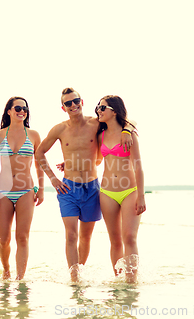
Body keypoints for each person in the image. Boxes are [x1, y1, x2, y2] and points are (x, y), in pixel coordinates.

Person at [35, 88, 133, 282]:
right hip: (68, 188)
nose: (73, 105)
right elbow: (39, 153)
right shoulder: (59, 129)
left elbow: (127, 121)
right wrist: (53, 179)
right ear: (63, 108)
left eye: (75, 101)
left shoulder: (96, 123)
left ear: (82, 101)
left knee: (85, 238)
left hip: (92, 188)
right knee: (71, 235)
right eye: (68, 103)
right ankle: (74, 279)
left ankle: (80, 271)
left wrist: (127, 130)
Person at [0, 96, 45, 280]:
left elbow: (39, 164)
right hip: (3, 191)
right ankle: (6, 270)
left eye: (25, 108)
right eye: (18, 108)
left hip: (26, 191)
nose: (22, 111)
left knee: (22, 237)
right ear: (9, 111)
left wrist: (42, 189)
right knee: (3, 239)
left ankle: (20, 278)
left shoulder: (34, 135)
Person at [96, 95, 145, 283]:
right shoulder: (100, 134)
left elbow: (138, 167)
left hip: (129, 191)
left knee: (130, 237)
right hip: (107, 192)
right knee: (115, 240)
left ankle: (131, 282)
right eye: (98, 108)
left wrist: (141, 196)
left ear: (114, 111)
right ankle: (119, 282)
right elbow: (92, 156)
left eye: (102, 108)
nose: (98, 111)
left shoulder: (129, 135)